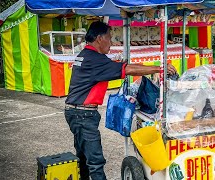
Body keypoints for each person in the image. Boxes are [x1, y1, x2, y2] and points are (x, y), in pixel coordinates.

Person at [64, 21, 177, 180]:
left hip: (76, 112)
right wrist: (159, 68)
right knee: (95, 162)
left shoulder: (85, 55)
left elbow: (122, 65)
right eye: (109, 38)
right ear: (99, 39)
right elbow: (128, 69)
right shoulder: (95, 59)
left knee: (84, 158)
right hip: (83, 115)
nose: (112, 42)